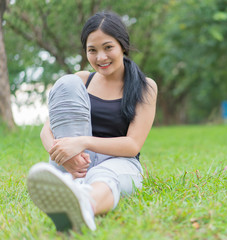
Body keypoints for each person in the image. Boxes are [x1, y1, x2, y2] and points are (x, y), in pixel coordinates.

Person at [26, 11, 157, 232]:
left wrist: (83, 142)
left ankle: (83, 204)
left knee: (103, 176)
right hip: (76, 161)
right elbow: (46, 131)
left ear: (122, 46)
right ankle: (69, 183)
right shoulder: (82, 81)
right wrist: (63, 156)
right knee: (66, 82)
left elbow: (133, 145)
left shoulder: (145, 86)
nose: (101, 58)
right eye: (92, 50)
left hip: (120, 161)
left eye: (108, 47)